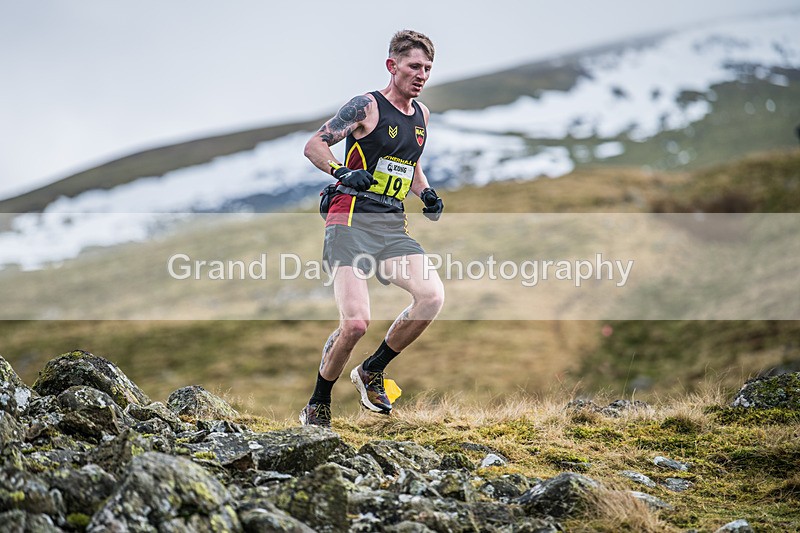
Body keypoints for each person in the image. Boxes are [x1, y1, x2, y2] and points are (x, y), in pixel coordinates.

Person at [299, 30, 445, 427]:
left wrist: (426, 193)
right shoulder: (367, 106)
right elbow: (315, 144)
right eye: (414, 66)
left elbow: (410, 163)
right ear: (392, 65)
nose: (421, 75)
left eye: (428, 68)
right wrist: (342, 170)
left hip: (390, 224)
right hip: (348, 219)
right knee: (356, 323)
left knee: (431, 297)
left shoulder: (422, 115)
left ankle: (371, 371)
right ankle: (318, 403)